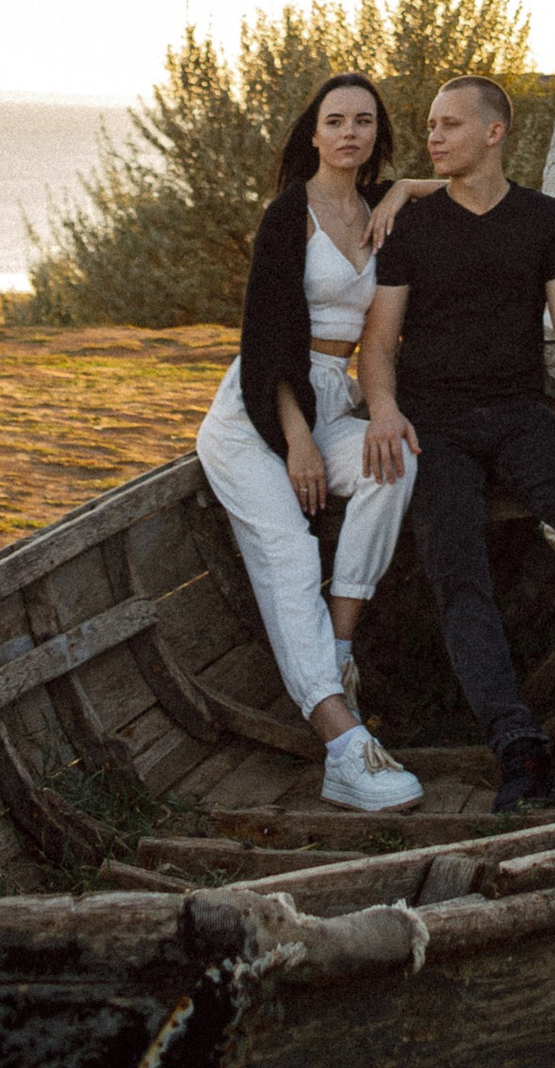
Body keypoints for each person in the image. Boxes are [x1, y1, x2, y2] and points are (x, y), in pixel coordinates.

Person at [356, 73, 555, 806]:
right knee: (456, 561)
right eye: (430, 125)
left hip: (519, 413)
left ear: (494, 132)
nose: (433, 136)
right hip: (433, 425)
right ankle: (517, 744)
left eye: (450, 125)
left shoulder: (543, 218)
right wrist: (383, 408)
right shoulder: (409, 225)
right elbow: (377, 343)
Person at [194, 71, 433, 813]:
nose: (349, 132)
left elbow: (476, 183)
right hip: (259, 412)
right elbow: (264, 335)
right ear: (314, 133)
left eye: (363, 120)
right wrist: (295, 438)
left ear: (375, 134)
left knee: (393, 465)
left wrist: (400, 192)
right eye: (335, 119)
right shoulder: (286, 214)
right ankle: (341, 745)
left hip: (335, 398)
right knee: (291, 550)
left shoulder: (377, 204)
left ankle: (335, 648)